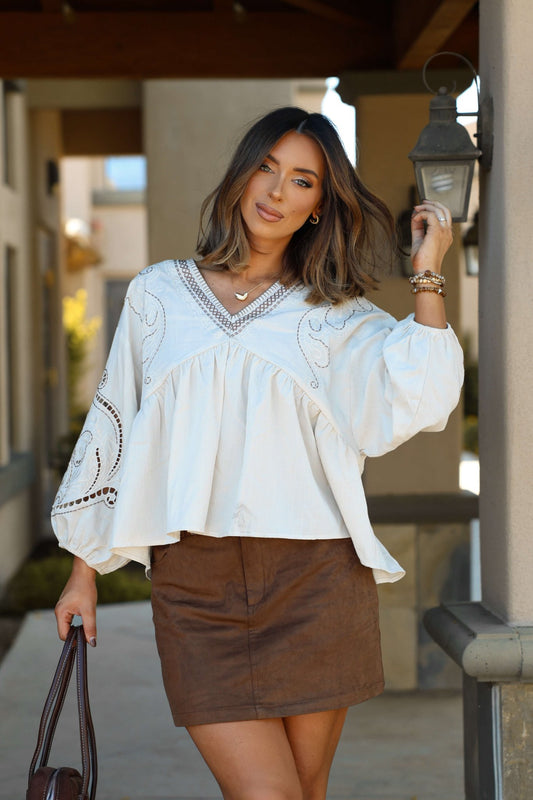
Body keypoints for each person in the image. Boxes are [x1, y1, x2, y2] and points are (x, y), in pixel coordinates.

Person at [53, 106, 463, 800]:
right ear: (241, 176)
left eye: (302, 180)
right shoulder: (157, 295)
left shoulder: (333, 316)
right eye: (267, 169)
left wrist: (427, 273)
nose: (276, 192)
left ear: (318, 206)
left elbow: (419, 393)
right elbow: (112, 427)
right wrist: (81, 573)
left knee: (302, 792)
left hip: (316, 579)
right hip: (196, 586)